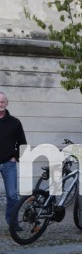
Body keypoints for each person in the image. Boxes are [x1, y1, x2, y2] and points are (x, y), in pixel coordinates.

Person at [0, 91, 27, 227]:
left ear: (7, 103)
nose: (0, 104)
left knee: (12, 195)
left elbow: (23, 143)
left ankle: (12, 224)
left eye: (2, 101)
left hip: (8, 164)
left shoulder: (15, 123)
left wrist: (15, 157)